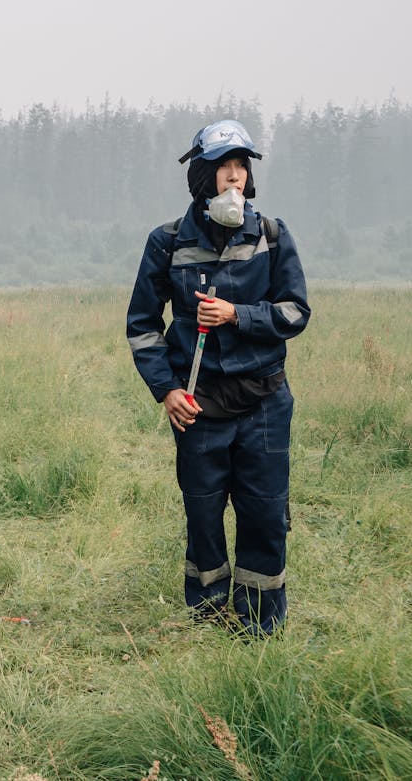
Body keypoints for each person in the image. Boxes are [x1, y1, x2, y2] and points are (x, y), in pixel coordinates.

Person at [126, 119, 310, 637]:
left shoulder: (272, 236)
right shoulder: (167, 242)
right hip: (198, 408)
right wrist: (167, 391)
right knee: (203, 518)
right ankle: (207, 620)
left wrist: (238, 315)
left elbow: (295, 311)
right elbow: (142, 327)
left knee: (265, 514)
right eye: (224, 169)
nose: (235, 180)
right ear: (203, 179)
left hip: (264, 402)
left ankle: (258, 626)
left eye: (242, 169)